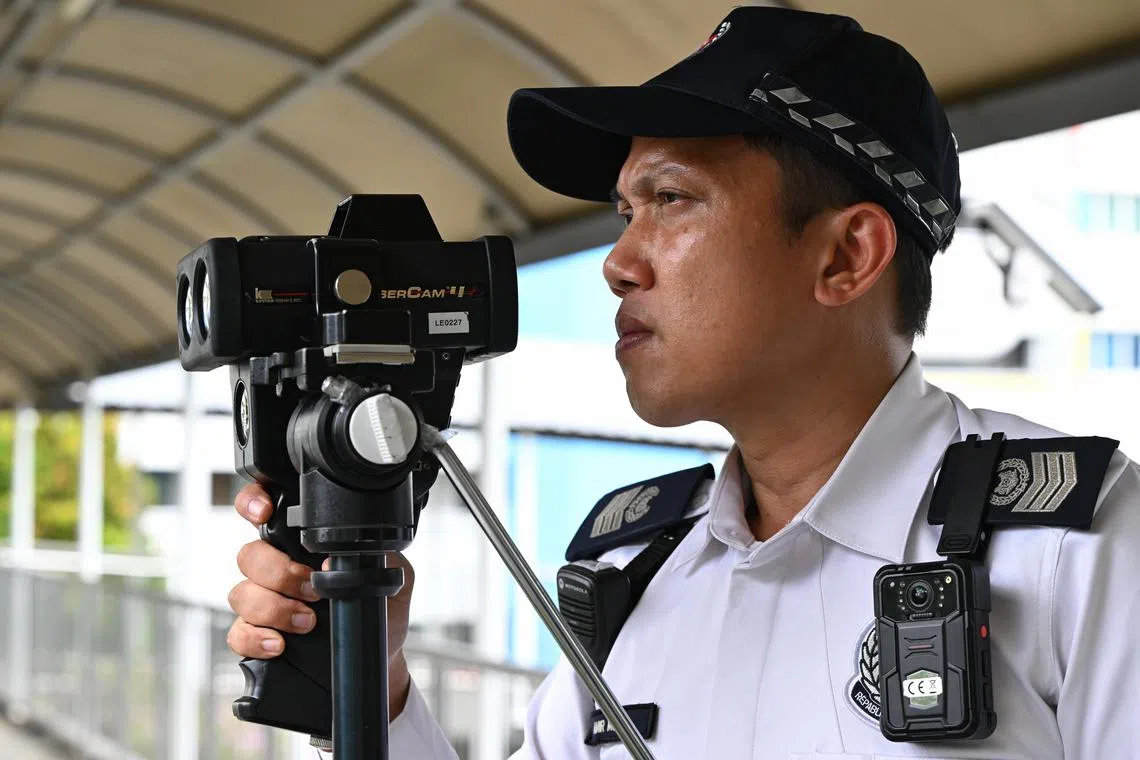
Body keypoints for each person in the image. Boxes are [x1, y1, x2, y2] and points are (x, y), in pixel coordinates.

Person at [226, 6, 1140, 758]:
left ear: (847, 254)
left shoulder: (1079, 545)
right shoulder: (631, 570)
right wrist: (376, 681)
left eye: (670, 201)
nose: (618, 262)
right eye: (625, 212)